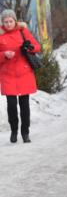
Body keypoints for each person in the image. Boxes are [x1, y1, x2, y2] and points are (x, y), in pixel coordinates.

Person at [0, 9, 41, 143]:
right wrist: (4, 55)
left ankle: (25, 132)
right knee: (11, 105)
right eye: (5, 22)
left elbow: (36, 46)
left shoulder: (23, 31)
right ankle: (14, 130)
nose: (8, 24)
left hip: (24, 73)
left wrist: (29, 48)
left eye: (10, 21)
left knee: (25, 106)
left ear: (15, 21)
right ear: (2, 23)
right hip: (8, 74)